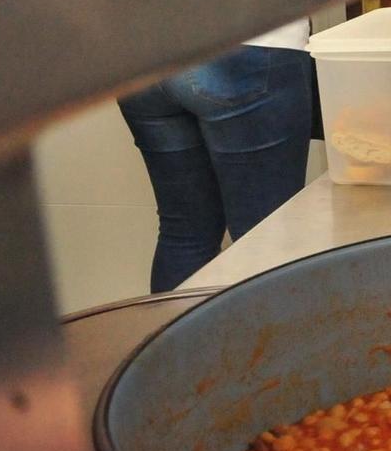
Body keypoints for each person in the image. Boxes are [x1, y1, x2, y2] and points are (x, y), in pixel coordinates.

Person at [118, 21, 313, 293]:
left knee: (184, 233)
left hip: (140, 54)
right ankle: (265, 336)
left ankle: (177, 336)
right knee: (265, 239)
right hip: (249, 44)